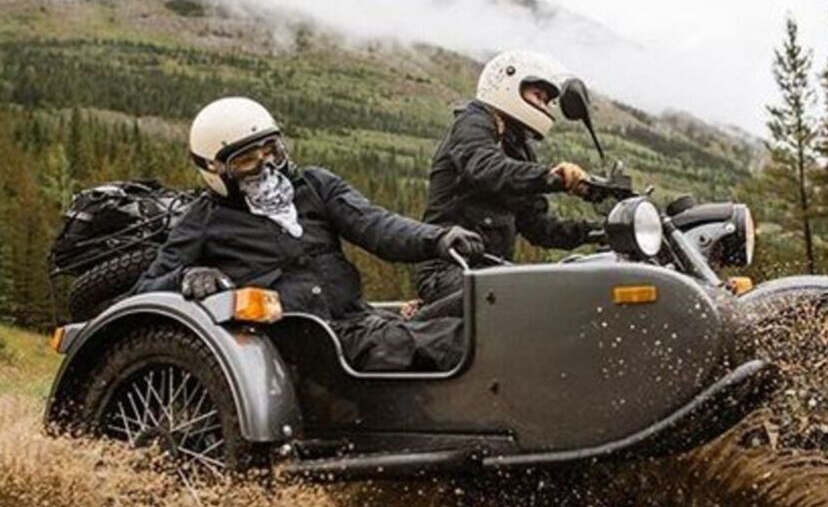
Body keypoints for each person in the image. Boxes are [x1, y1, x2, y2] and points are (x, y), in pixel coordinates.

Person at [134, 97, 486, 372]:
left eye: (271, 150)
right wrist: (187, 276)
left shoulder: (315, 185)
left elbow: (376, 225)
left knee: (481, 305)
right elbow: (143, 292)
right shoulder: (204, 220)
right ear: (215, 169)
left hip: (359, 322)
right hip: (303, 344)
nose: (266, 166)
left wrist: (438, 239)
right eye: (247, 160)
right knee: (457, 339)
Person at [412, 49, 604, 303]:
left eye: (546, 100)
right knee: (529, 305)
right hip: (451, 269)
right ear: (508, 85)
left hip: (489, 273)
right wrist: (553, 177)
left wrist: (600, 232)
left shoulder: (518, 148)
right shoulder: (474, 122)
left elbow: (538, 227)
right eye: (538, 96)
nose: (543, 106)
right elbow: (485, 168)